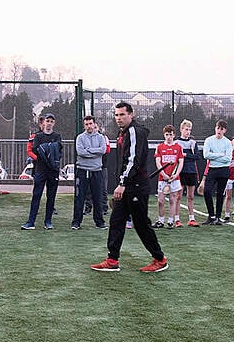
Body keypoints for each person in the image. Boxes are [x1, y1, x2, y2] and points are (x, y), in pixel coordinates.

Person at [91, 102, 167, 273]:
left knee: (141, 224)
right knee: (116, 221)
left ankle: (160, 259)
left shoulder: (134, 132)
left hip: (135, 187)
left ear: (131, 114)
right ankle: (112, 260)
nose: (119, 118)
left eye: (122, 115)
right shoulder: (123, 132)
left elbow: (133, 160)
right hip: (128, 185)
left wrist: (122, 183)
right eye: (116, 115)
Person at [22, 113, 62, 230]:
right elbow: (36, 150)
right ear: (43, 122)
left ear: (54, 123)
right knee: (36, 195)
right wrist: (49, 148)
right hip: (40, 170)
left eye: (51, 121)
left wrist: (46, 149)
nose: (49, 123)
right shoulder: (38, 136)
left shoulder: (57, 136)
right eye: (47, 121)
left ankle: (48, 222)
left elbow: (58, 151)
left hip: (53, 171)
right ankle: (31, 222)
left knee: (51, 196)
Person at [71, 115, 108, 230]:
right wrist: (94, 152)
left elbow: (102, 150)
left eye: (90, 123)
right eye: (86, 124)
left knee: (97, 197)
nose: (89, 126)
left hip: (96, 171)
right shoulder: (80, 138)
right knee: (79, 197)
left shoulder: (101, 137)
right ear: (84, 125)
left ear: (94, 124)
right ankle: (76, 222)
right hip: (82, 171)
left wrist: (89, 151)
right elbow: (80, 152)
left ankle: (99, 222)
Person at [201, 120, 232, 225]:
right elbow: (206, 155)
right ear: (215, 128)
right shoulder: (209, 140)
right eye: (218, 128)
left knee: (220, 193)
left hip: (224, 170)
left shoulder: (228, 142)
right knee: (207, 191)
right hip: (212, 169)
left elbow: (228, 159)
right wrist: (220, 155)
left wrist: (214, 155)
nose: (219, 130)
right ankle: (211, 215)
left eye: (221, 129)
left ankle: (218, 217)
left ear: (225, 130)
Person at [153, 125, 184, 229]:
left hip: (174, 179)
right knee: (160, 200)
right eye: (167, 134)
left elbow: (180, 163)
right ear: (164, 135)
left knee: (172, 199)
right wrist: (164, 175)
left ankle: (170, 221)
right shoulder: (160, 147)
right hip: (163, 179)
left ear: (174, 135)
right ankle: (160, 221)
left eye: (171, 134)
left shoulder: (178, 147)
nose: (169, 137)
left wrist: (175, 175)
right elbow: (158, 163)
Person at [176, 119, 199, 226]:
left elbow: (196, 157)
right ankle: (176, 219)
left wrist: (186, 155)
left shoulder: (193, 143)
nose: (188, 132)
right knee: (178, 196)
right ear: (181, 129)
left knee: (191, 196)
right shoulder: (176, 143)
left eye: (189, 130)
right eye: (186, 129)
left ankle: (192, 218)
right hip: (180, 172)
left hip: (191, 172)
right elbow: (177, 157)